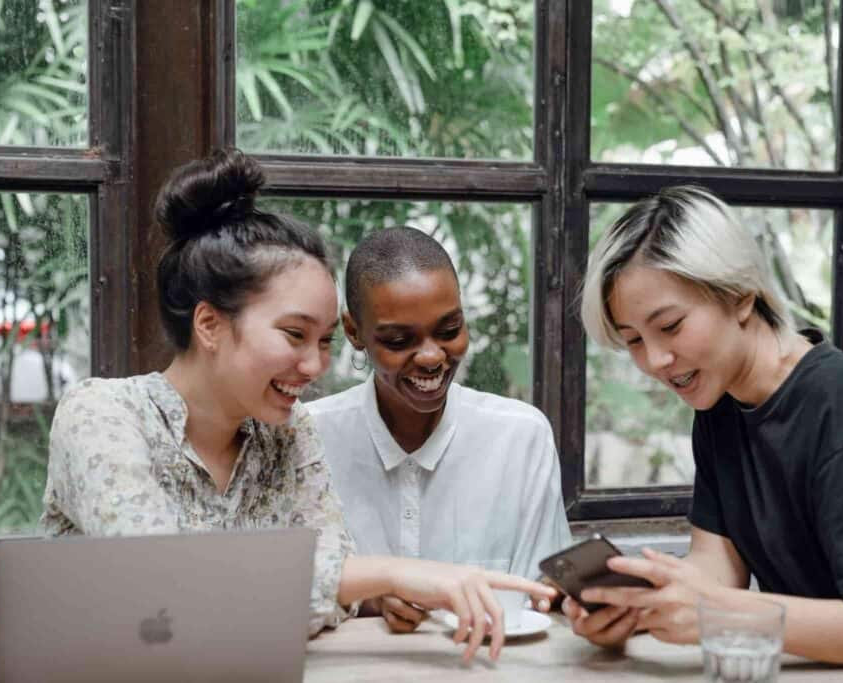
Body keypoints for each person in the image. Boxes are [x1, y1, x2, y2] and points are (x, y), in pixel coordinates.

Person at [39, 149, 554, 664]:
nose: (314, 367)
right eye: (294, 334)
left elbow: (334, 598)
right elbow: (161, 595)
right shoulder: (103, 414)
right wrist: (390, 573)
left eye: (326, 340)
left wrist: (336, 586)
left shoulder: (287, 432)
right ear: (210, 325)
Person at [574, 185, 843, 678]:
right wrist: (642, 606)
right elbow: (718, 566)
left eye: (670, 326)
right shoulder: (719, 405)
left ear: (741, 295)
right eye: (634, 341)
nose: (656, 361)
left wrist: (723, 613)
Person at [307, 226, 572, 634]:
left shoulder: (521, 437)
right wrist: (372, 596)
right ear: (354, 331)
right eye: (398, 340)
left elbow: (545, 597)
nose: (432, 356)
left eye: (449, 331)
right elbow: (278, 595)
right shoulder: (308, 439)